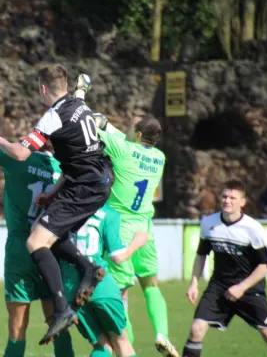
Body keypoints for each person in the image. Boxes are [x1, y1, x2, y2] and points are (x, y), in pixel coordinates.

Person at [0, 65, 112, 344]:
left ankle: (63, 309)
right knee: (50, 230)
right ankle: (87, 268)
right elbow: (75, 156)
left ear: (43, 89)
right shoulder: (79, 104)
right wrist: (53, 192)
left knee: (35, 243)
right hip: (99, 181)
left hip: (84, 188)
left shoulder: (52, 116)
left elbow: (19, 153)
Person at [0, 111, 77, 357]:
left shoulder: (17, 159)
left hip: (20, 250)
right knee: (58, 325)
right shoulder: (60, 168)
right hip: (51, 252)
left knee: (16, 330)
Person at [90, 110, 179, 356]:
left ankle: (125, 348)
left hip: (122, 229)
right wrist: (109, 125)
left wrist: (95, 119)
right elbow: (124, 137)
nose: (127, 130)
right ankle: (162, 333)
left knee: (121, 293)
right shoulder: (160, 157)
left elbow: (90, 128)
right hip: (145, 229)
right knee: (151, 285)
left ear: (138, 134)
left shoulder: (122, 150)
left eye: (131, 127)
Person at [182, 179, 267, 357]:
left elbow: (265, 265)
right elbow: (201, 254)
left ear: (242, 202)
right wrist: (193, 283)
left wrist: (241, 287)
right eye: (224, 196)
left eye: (233, 197)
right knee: (196, 329)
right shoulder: (209, 223)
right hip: (219, 286)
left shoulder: (252, 228)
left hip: (249, 289)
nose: (227, 201)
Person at [57, 203, 149, 357]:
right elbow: (118, 257)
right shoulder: (108, 213)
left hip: (71, 289)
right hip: (100, 285)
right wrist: (137, 242)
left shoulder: (62, 209)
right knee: (122, 342)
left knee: (103, 346)